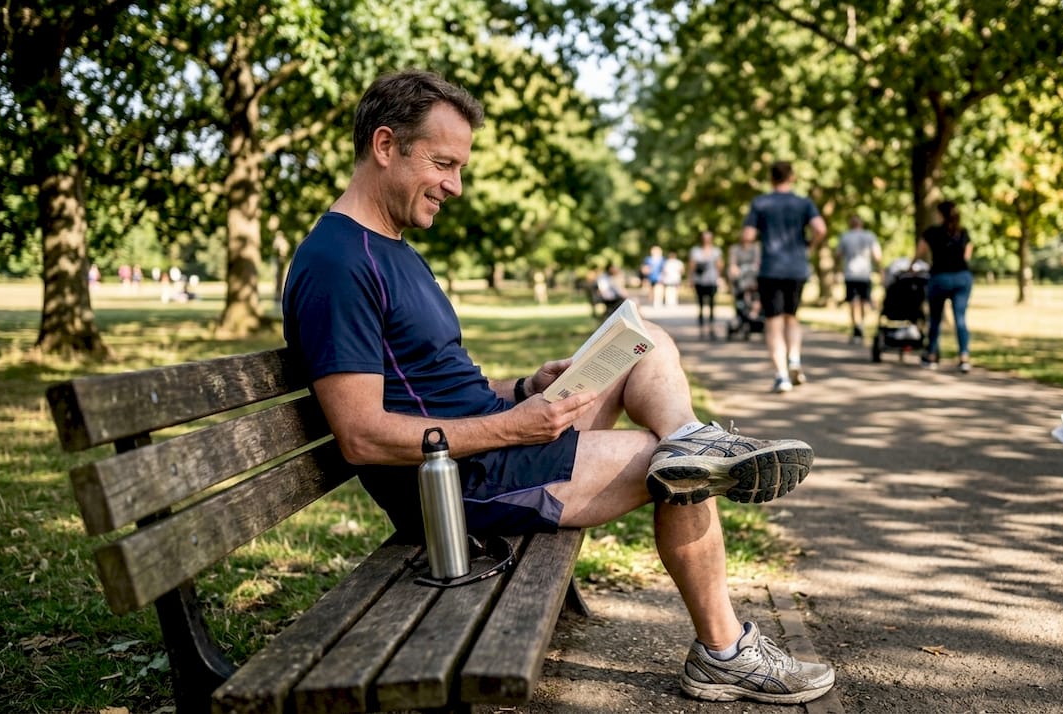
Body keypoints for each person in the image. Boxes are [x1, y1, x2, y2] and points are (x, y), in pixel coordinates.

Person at [281, 69, 835, 705]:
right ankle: (724, 651)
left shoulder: (392, 246)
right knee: (677, 467)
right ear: (385, 146)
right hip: (457, 487)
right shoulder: (338, 264)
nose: (454, 186)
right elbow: (361, 434)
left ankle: (691, 438)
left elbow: (429, 379)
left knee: (644, 341)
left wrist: (523, 387)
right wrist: (510, 426)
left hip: (493, 444)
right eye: (442, 163)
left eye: (459, 167)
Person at [740, 160, 828, 392]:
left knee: (773, 322)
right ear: (792, 177)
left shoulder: (761, 203)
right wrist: (810, 246)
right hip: (797, 268)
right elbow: (820, 228)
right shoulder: (804, 203)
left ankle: (781, 376)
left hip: (771, 268)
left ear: (771, 178)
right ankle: (795, 360)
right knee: (792, 317)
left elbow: (747, 236)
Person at [915, 200, 973, 374]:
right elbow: (967, 256)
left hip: (940, 278)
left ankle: (932, 354)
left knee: (935, 318)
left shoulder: (932, 232)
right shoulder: (963, 233)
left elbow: (920, 253)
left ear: (940, 214)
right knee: (960, 318)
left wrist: (910, 267)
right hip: (962, 277)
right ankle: (964, 357)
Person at [835, 214, 882, 344]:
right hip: (865, 274)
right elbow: (877, 256)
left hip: (850, 274)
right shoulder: (870, 236)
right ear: (861, 224)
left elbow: (838, 255)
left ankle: (856, 327)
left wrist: (837, 269)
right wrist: (880, 270)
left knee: (852, 302)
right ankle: (860, 324)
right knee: (864, 301)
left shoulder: (845, 236)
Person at [687, 230, 724, 339]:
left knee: (712, 305)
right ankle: (702, 329)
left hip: (711, 281)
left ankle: (712, 328)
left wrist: (719, 278)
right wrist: (691, 279)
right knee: (701, 305)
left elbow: (719, 266)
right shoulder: (696, 251)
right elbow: (692, 265)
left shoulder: (716, 251)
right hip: (699, 281)